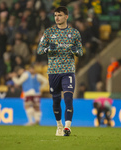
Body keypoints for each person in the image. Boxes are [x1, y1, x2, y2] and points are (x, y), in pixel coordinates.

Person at [37, 6, 83, 136]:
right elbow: (39, 50)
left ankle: (67, 127)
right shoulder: (48, 32)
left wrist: (76, 51)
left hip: (68, 70)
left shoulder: (74, 33)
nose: (57, 17)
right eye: (55, 15)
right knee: (56, 101)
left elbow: (80, 52)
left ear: (66, 16)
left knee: (68, 98)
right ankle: (59, 125)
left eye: (60, 15)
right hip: (53, 71)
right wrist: (47, 49)